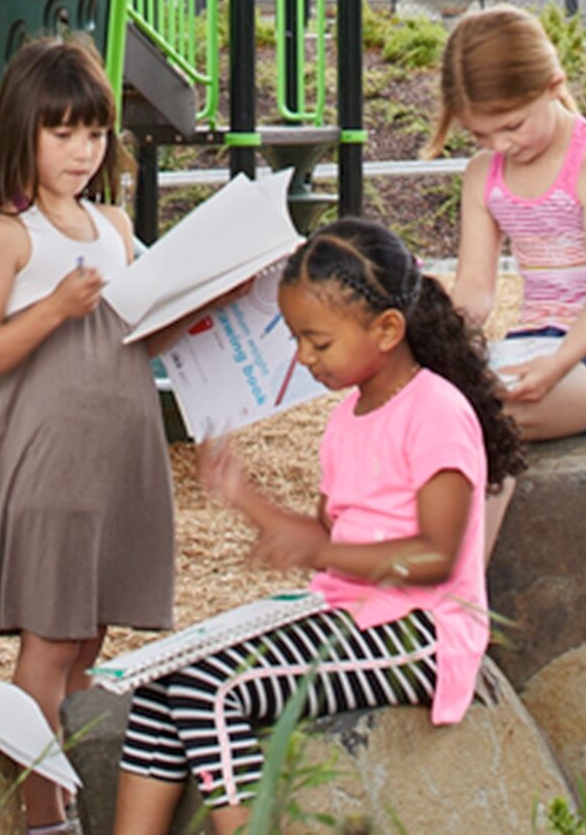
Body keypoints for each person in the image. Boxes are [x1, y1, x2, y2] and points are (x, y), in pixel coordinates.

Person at [113, 219, 526, 835]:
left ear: (387, 329)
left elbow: (437, 556)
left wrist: (321, 547)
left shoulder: (437, 410)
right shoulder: (348, 419)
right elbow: (328, 541)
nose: (304, 357)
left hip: (418, 634)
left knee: (213, 691)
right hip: (346, 615)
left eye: (318, 341)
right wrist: (244, 497)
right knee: (158, 688)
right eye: (296, 340)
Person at [0, 35, 177, 832]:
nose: (83, 151)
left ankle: (84, 793)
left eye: (94, 133)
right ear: (25, 130)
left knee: (88, 641)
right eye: (63, 133)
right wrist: (53, 308)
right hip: (50, 455)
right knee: (48, 648)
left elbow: (131, 331)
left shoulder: (112, 225)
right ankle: (46, 818)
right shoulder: (5, 235)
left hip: (119, 454)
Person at [431, 6, 586, 452]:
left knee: (488, 420)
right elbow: (475, 290)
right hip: (532, 344)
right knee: (434, 410)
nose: (499, 145)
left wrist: (558, 364)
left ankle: (473, 525)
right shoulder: (484, 174)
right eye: (480, 135)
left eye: (511, 126)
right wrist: (437, 344)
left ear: (553, 86)